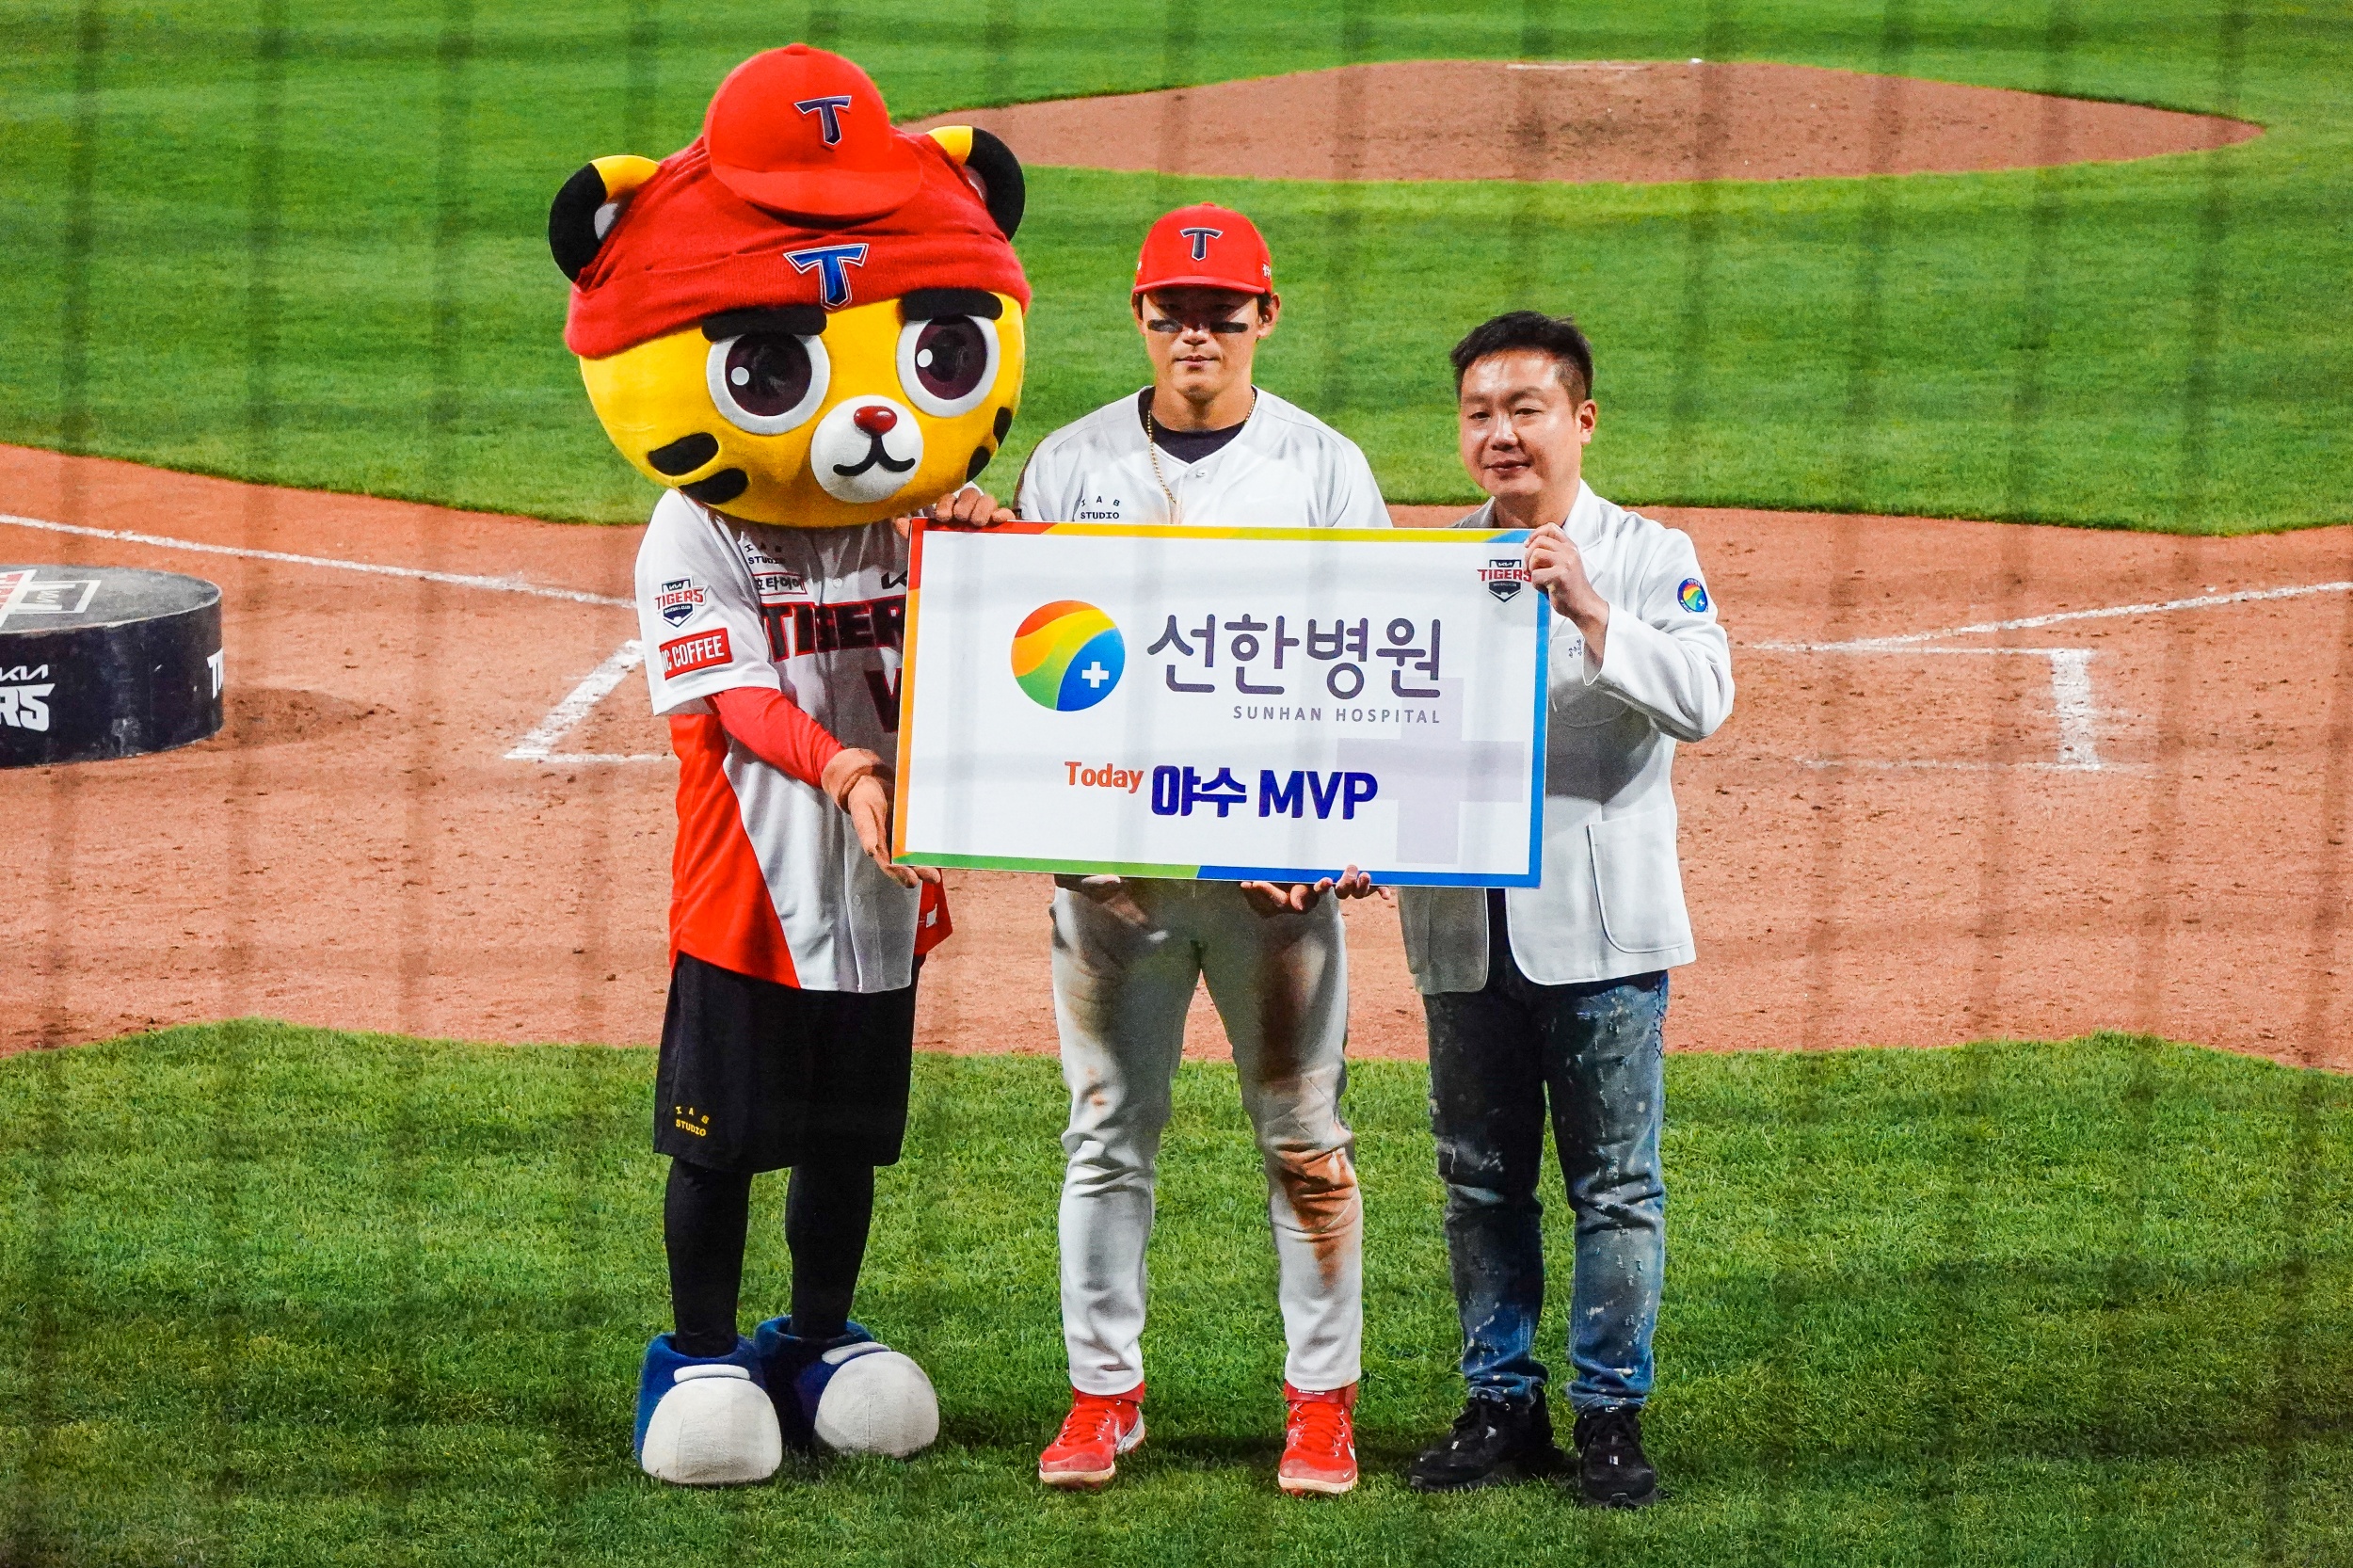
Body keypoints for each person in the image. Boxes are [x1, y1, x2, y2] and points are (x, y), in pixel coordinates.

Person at [1010, 203, 1388, 1496]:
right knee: (1106, 1135)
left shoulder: (1323, 469)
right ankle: (1101, 1398)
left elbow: (1374, 663)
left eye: (1221, 314)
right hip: (1112, 880)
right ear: (1140, 315)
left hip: (1272, 884)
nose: (1196, 336)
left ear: (1263, 317)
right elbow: (1020, 659)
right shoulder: (1067, 463)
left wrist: (1344, 832)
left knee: (1306, 1138)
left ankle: (1321, 1406)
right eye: (1172, 312)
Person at [1399, 312, 1734, 1507]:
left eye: (1525, 409)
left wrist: (1592, 607)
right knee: (1479, 1182)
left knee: (1616, 1188)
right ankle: (1499, 1402)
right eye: (1479, 413)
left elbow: (1704, 697)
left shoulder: (1649, 552)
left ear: (1581, 420)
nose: (1500, 434)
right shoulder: (1426, 569)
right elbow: (1387, 741)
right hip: (1458, 931)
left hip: (1599, 935)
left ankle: (1608, 1416)